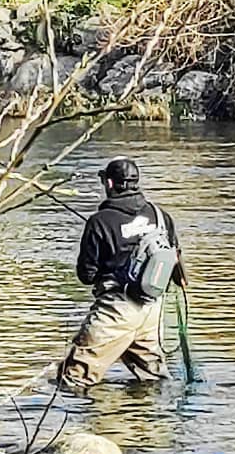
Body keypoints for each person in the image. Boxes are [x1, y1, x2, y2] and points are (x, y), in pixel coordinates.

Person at [60, 157, 186, 389]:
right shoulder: (160, 215)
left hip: (116, 311)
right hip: (151, 310)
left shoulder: (99, 222)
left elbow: (86, 275)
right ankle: (154, 423)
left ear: (109, 184)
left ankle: (81, 424)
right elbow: (174, 258)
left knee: (73, 379)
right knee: (153, 381)